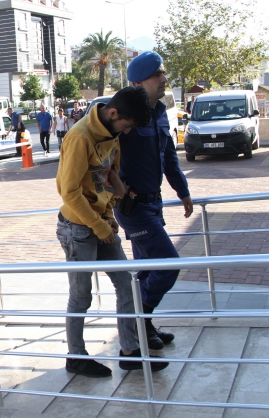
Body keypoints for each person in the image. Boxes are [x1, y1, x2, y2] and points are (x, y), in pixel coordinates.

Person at [56, 86, 168, 378]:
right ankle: (75, 357)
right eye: (127, 125)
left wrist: (109, 214)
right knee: (81, 296)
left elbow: (106, 177)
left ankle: (130, 351)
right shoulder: (80, 137)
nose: (128, 132)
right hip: (77, 228)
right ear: (114, 113)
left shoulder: (112, 133)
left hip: (100, 223)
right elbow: (69, 192)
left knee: (127, 283)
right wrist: (100, 225)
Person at [114, 51, 194, 350]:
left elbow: (169, 156)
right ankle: (139, 318)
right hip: (133, 207)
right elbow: (102, 158)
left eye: (163, 74)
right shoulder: (123, 115)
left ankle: (144, 326)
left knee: (147, 270)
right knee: (168, 265)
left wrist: (182, 191)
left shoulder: (160, 112)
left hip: (154, 202)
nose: (164, 79)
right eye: (157, 75)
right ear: (138, 83)